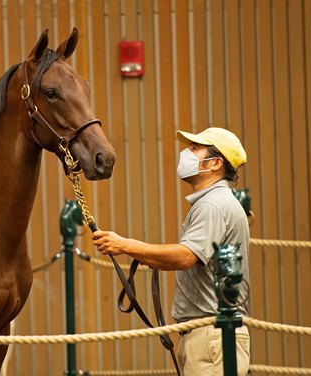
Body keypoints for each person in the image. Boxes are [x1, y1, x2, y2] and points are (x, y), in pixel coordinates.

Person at [92, 127, 250, 376]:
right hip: (209, 335)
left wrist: (125, 245)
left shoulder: (212, 204)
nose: (186, 153)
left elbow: (186, 256)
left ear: (216, 163)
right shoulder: (216, 201)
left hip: (212, 335)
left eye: (195, 149)